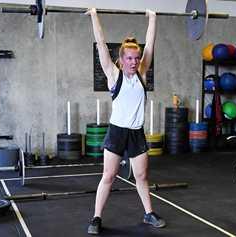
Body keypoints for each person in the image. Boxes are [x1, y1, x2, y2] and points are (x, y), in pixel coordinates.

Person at [85, 8, 166, 235]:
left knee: (141, 176)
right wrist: (94, 15)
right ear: (121, 59)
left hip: (136, 133)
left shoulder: (142, 73)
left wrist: (153, 18)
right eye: (129, 58)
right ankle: (96, 217)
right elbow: (101, 43)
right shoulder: (113, 74)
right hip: (117, 132)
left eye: (136, 58)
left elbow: (150, 43)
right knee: (109, 176)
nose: (134, 61)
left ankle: (149, 213)